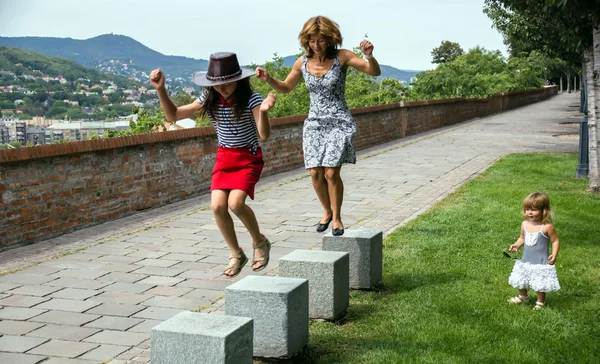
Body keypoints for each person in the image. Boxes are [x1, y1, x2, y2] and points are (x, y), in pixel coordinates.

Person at [150, 52, 277, 277]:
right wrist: (161, 89)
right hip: (224, 157)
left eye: (227, 84)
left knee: (236, 204)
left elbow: (263, 135)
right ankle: (236, 253)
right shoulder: (208, 99)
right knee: (218, 206)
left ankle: (260, 242)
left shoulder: (252, 99)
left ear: (238, 80)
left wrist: (264, 113)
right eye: (217, 85)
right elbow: (174, 116)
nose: (222, 89)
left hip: (247, 158)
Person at [255, 15, 381, 236]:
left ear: (331, 39)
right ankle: (326, 211)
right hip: (314, 123)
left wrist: (369, 56)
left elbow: (373, 72)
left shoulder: (343, 57)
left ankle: (338, 218)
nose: (316, 45)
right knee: (315, 172)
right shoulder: (301, 62)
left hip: (339, 121)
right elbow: (285, 87)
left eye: (320, 40)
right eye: (312, 41)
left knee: (331, 172)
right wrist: (268, 79)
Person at [507, 192, 561, 310]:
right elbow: (522, 238)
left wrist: (554, 254)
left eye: (534, 209)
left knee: (539, 281)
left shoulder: (547, 227)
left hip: (540, 261)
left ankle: (540, 302)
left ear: (544, 211)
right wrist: (516, 245)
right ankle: (523, 297)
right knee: (521, 277)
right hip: (526, 259)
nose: (529, 212)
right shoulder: (525, 224)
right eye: (527, 209)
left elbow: (555, 241)